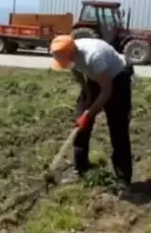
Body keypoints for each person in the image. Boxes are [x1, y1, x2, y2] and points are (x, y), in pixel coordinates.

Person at [49, 35, 134, 193]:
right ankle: (80, 168)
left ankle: (123, 179)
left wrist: (89, 112)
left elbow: (107, 91)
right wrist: (87, 95)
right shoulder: (70, 55)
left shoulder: (94, 56)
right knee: (81, 124)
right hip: (95, 79)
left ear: (73, 53)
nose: (64, 64)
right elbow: (77, 73)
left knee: (118, 128)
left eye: (65, 61)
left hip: (116, 78)